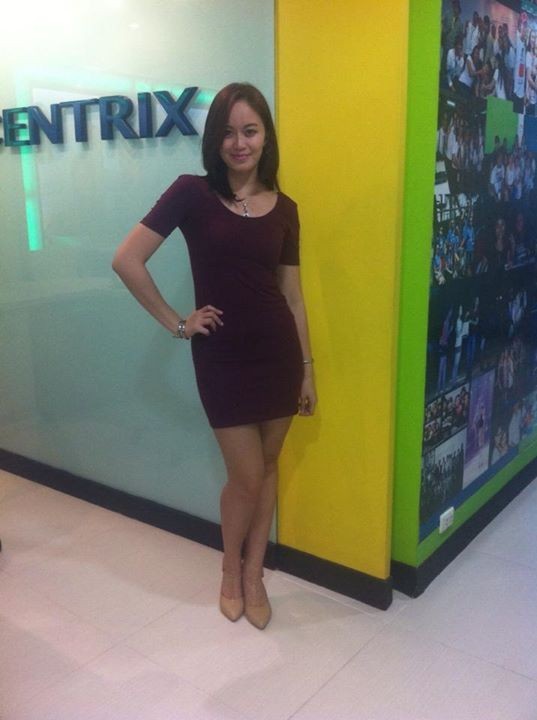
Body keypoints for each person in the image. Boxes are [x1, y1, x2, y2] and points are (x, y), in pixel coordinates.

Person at [112, 83, 317, 630]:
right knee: (245, 476)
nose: (239, 142)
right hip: (222, 358)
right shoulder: (191, 192)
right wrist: (178, 323)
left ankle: (255, 575)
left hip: (279, 357)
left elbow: (293, 297)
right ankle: (230, 568)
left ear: (266, 136)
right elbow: (127, 259)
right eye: (227, 132)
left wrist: (307, 370)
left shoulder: (287, 209)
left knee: (268, 468)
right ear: (214, 139)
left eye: (250, 130)